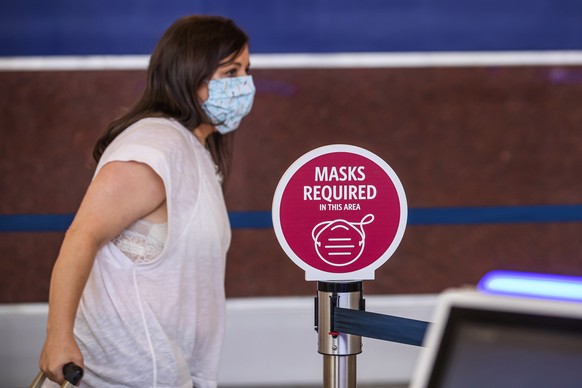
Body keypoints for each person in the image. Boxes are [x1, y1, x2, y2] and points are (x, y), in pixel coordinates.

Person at [38, 14, 255, 387]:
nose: (245, 85)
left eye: (247, 71)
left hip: (166, 369)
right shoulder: (155, 144)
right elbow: (83, 235)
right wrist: (58, 338)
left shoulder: (193, 149)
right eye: (230, 72)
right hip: (125, 371)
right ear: (189, 73)